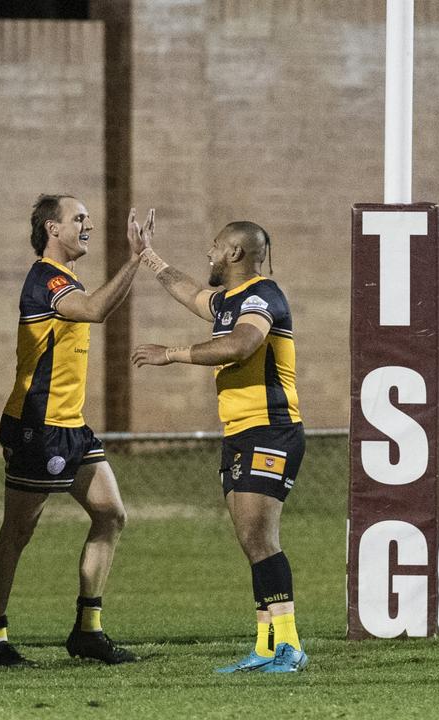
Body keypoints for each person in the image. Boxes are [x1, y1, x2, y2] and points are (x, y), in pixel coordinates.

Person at [131, 213, 308, 674]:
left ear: (234, 253)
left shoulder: (263, 296)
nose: (208, 252)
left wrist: (171, 354)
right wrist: (147, 257)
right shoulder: (229, 299)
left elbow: (241, 345)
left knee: (260, 537)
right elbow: (189, 291)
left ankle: (288, 646)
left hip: (271, 430)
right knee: (252, 541)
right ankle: (266, 647)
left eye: (214, 245)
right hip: (239, 434)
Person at [0, 194, 146, 669]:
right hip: (37, 427)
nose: (87, 224)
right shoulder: (45, 279)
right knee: (18, 530)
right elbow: (94, 310)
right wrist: (135, 260)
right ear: (53, 229)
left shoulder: (67, 279)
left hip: (71, 427)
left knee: (111, 514)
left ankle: (87, 630)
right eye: (78, 218)